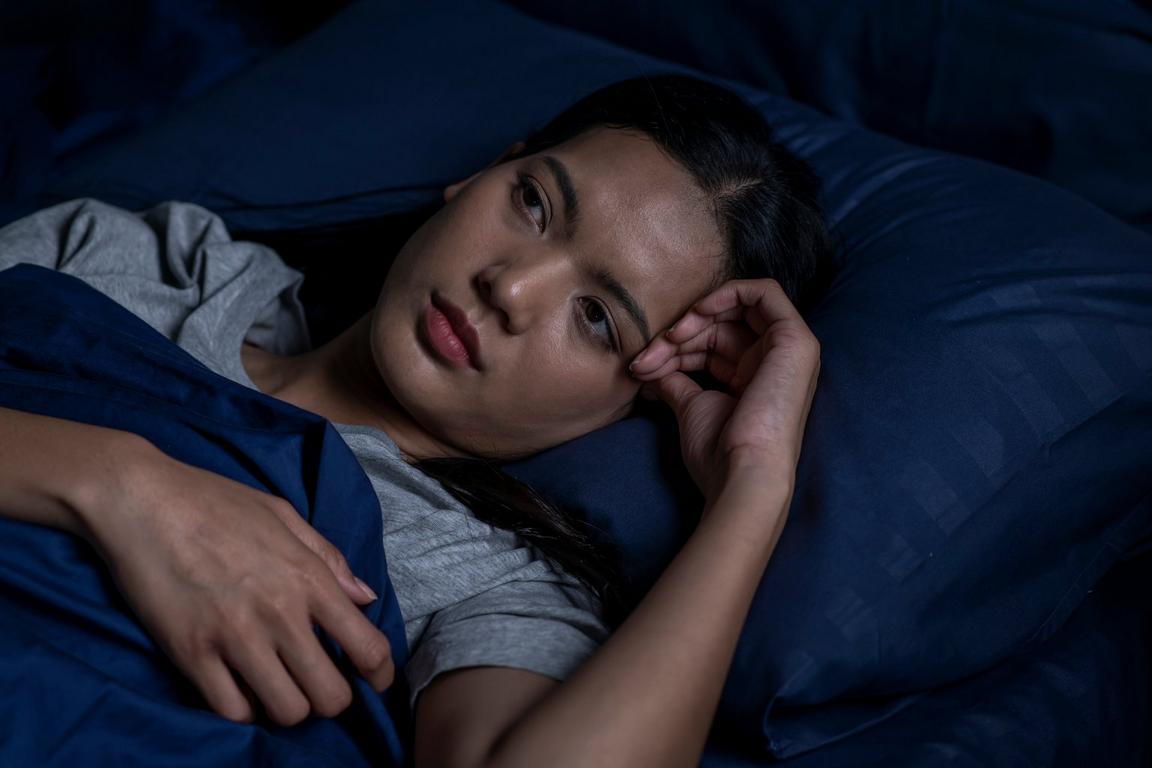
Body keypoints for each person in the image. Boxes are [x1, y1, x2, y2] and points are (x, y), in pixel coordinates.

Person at [0, 75, 829, 767]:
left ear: (643, 389)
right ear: (480, 176)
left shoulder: (482, 578)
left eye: (598, 318)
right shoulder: (166, 266)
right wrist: (122, 487)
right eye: (535, 204)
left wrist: (752, 490)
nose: (510, 288)